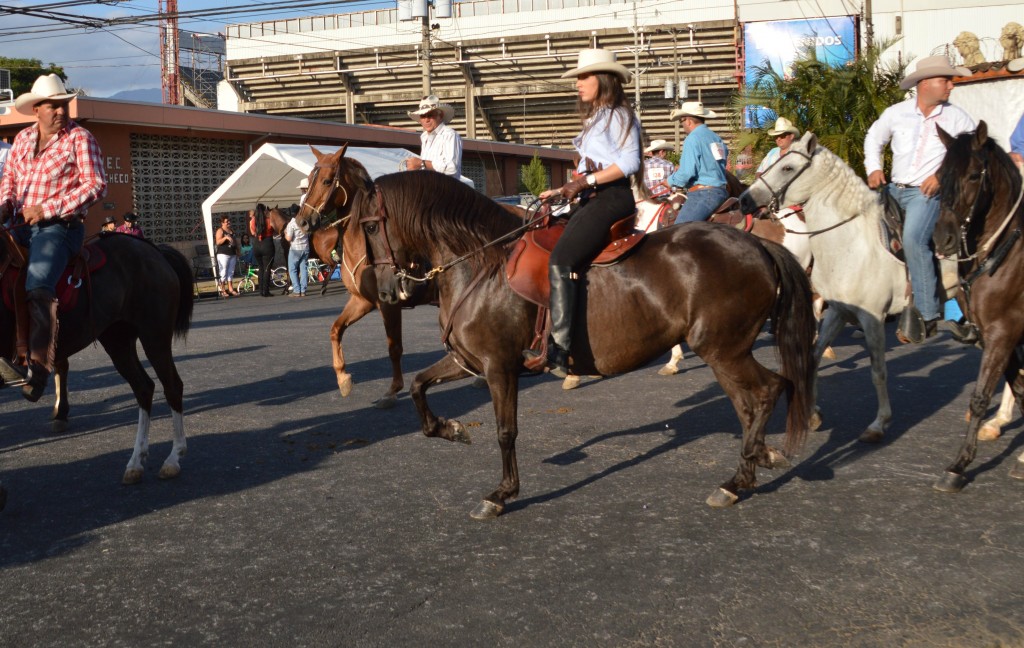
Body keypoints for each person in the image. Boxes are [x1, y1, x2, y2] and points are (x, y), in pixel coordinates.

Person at [524, 48, 642, 378]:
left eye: (583, 76)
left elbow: (630, 163)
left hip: (611, 199)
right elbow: (592, 169)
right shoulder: (597, 117)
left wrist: (585, 181)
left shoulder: (619, 114)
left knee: (561, 260)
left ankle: (560, 351)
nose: (577, 83)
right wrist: (564, 188)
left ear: (603, 79)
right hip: (591, 198)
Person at [0, 74, 107, 400]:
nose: (60, 111)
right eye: (53, 106)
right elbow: (10, 180)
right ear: (37, 109)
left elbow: (95, 185)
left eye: (63, 104)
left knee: (38, 281)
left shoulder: (80, 138)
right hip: (18, 226)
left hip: (59, 228)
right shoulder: (20, 140)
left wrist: (47, 210)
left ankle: (39, 363)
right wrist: (4, 205)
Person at [865, 55, 976, 340]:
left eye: (950, 80)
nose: (951, 85)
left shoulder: (958, 117)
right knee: (857, 226)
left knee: (914, 241)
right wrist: (874, 167)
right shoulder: (896, 113)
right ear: (925, 84)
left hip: (926, 196)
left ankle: (927, 316)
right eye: (945, 80)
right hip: (892, 190)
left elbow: (971, 155)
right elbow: (874, 138)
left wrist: (941, 177)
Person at [668, 101, 729, 223]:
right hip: (721, 191)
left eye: (682, 121)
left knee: (680, 231)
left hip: (703, 194)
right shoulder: (716, 138)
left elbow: (687, 172)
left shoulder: (692, 138)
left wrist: (671, 181)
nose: (682, 125)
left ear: (688, 120)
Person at [403, 95, 463, 178]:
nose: (426, 120)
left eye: (430, 115)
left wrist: (421, 163)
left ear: (440, 116)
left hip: (445, 189)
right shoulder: (424, 137)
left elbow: (451, 168)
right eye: (423, 116)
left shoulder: (449, 135)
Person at [249, 204, 276, 297]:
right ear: (265, 211)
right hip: (267, 243)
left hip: (256, 244)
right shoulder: (269, 220)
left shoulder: (253, 221)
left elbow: (252, 232)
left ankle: (261, 290)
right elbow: (274, 229)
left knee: (261, 268)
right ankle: (266, 290)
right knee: (267, 268)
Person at [284, 214, 310, 297]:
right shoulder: (305, 222)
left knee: (292, 269)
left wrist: (285, 233)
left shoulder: (291, 224)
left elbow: (288, 238)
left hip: (295, 249)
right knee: (304, 269)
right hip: (305, 248)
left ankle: (296, 290)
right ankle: (303, 290)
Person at [215, 215, 240, 297]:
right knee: (223, 272)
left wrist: (237, 250)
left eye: (229, 221)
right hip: (223, 254)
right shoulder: (220, 230)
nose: (228, 222)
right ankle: (222, 289)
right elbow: (218, 242)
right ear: (222, 223)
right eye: (226, 221)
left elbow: (235, 241)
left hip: (232, 253)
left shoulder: (231, 230)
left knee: (231, 272)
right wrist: (225, 238)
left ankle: (230, 288)